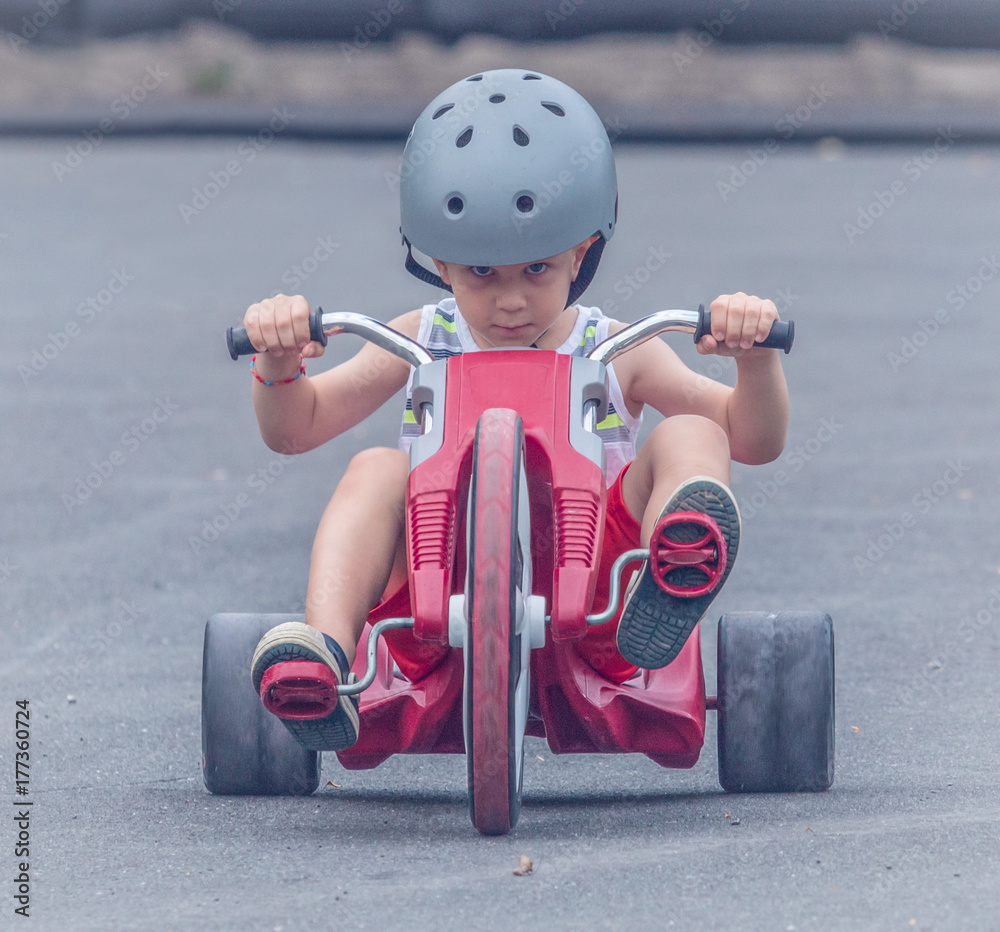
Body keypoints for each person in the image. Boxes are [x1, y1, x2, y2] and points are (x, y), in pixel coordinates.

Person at [241, 69, 789, 752]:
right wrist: (280, 361)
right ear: (439, 263)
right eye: (481, 273)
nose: (510, 301)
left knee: (693, 432)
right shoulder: (419, 340)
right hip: (430, 606)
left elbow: (752, 437)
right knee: (376, 469)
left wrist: (755, 358)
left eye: (537, 270)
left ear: (582, 252)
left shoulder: (619, 350)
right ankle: (322, 654)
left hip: (605, 605)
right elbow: (296, 430)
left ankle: (679, 562)